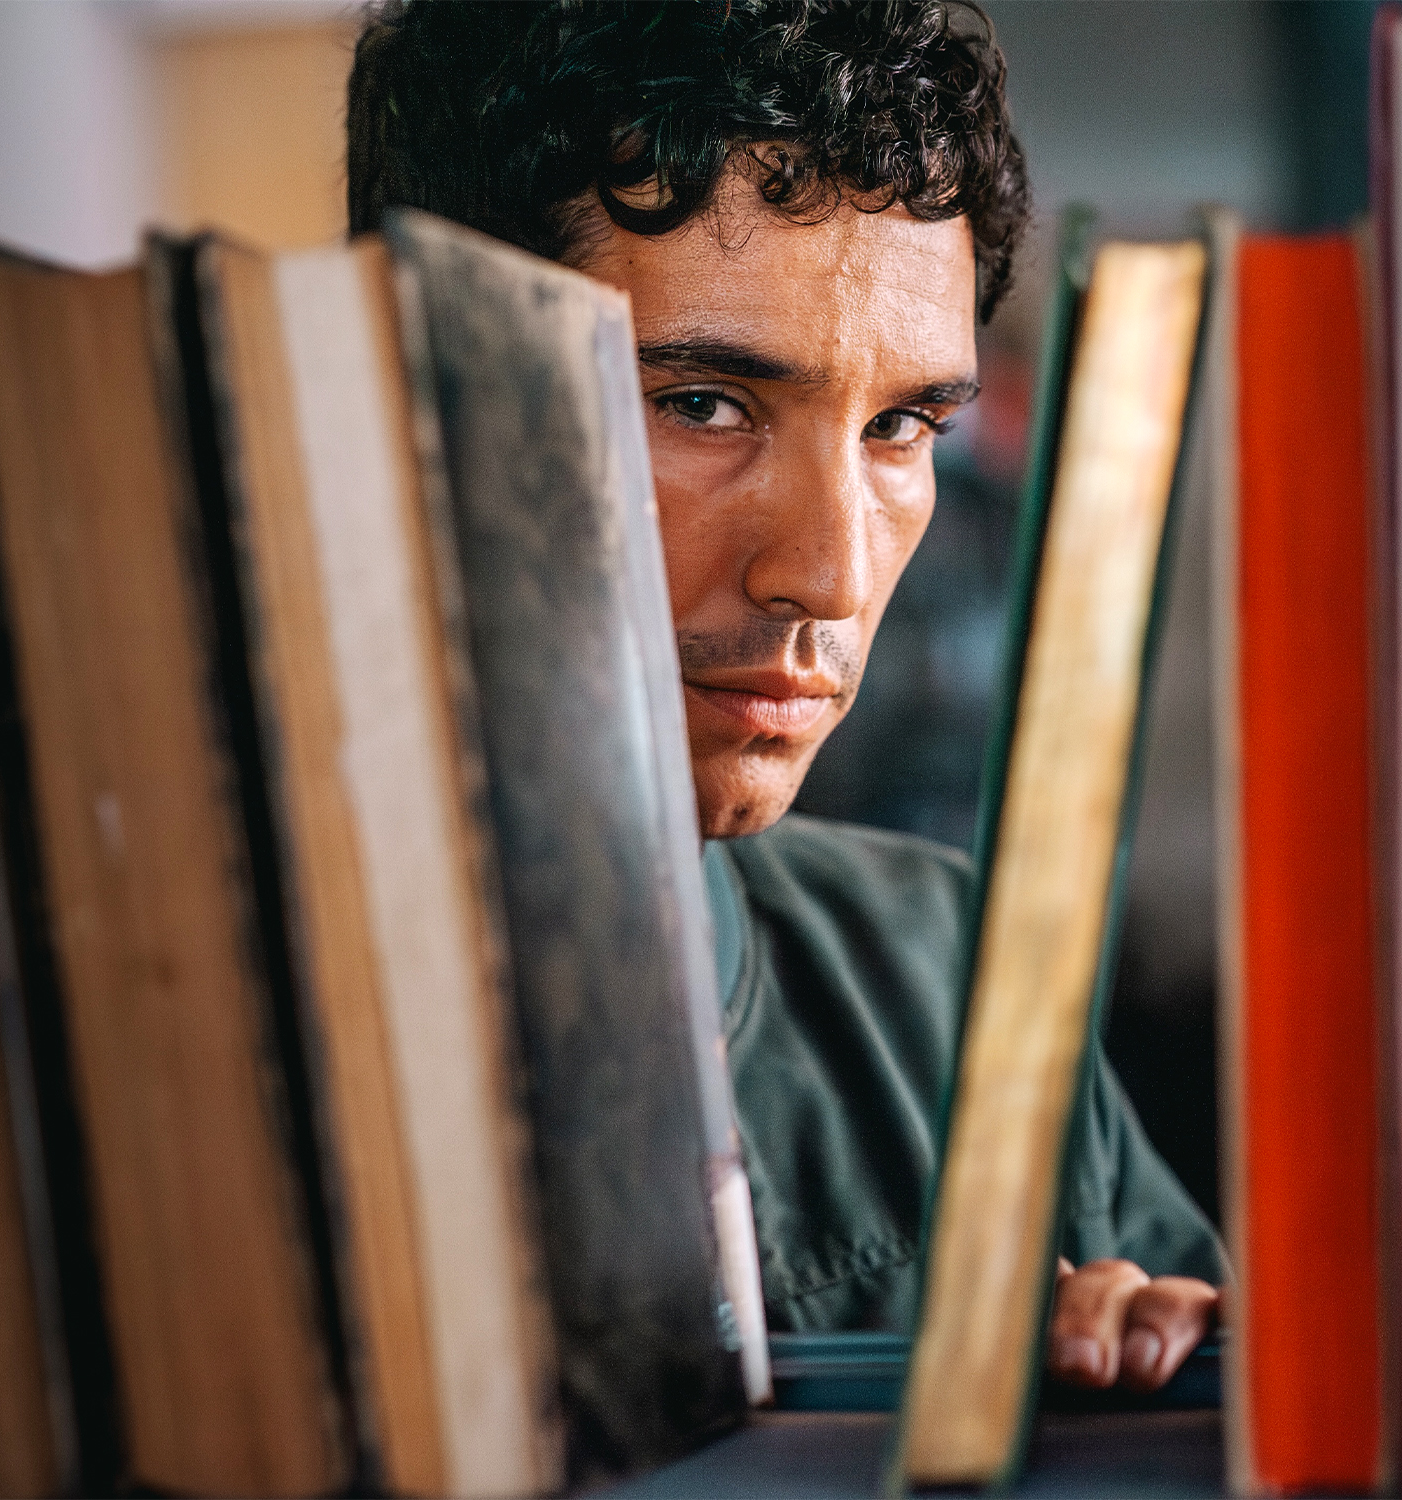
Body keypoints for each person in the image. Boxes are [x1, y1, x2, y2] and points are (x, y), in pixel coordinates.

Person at [345, 0, 1223, 1395]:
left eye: (900, 428)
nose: (827, 571)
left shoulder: (947, 981)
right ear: (411, 391)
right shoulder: (181, 1016)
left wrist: (1145, 1379)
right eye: (702, 403)